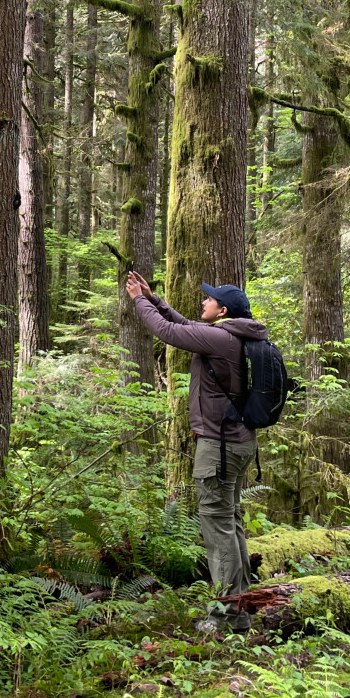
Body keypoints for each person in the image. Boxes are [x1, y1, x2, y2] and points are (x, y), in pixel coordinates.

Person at [126, 272, 269, 635]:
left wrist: (138, 301)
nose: (203, 302)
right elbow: (184, 324)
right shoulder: (234, 335)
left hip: (219, 448)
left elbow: (169, 333)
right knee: (230, 523)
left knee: (218, 529)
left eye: (209, 299)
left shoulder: (220, 338)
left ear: (222, 311)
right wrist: (153, 298)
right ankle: (239, 611)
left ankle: (222, 618)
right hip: (240, 442)